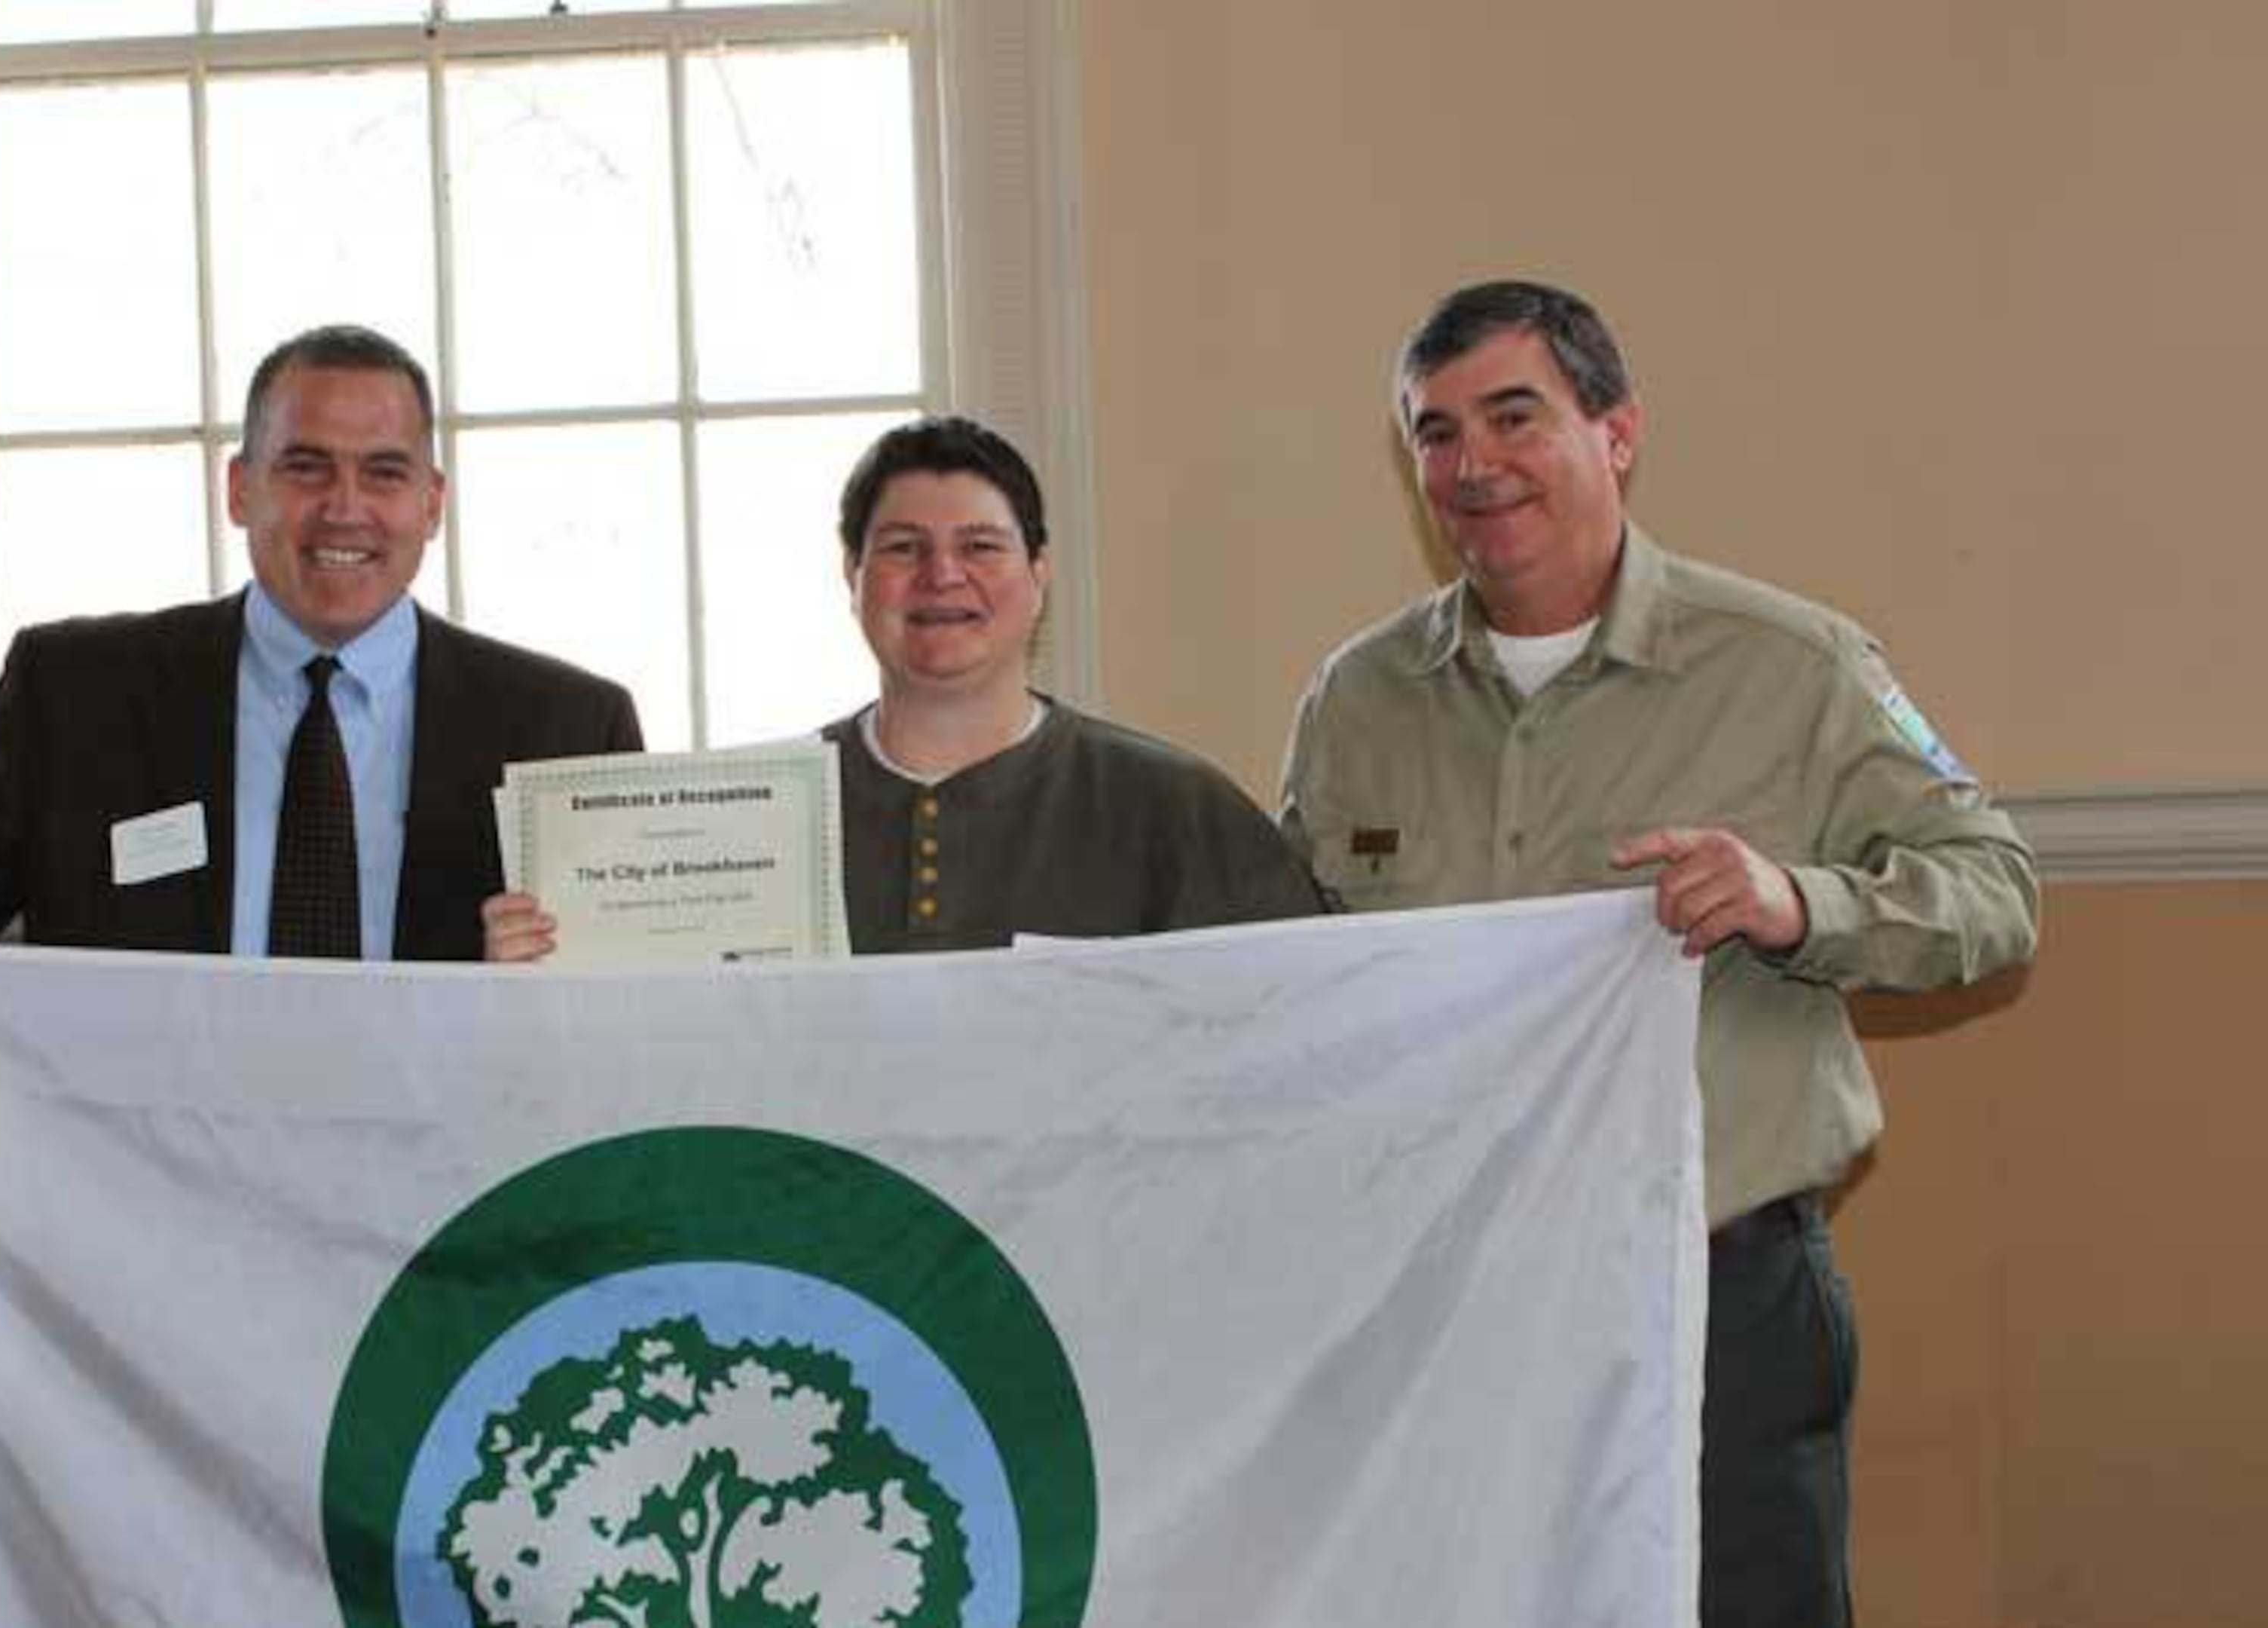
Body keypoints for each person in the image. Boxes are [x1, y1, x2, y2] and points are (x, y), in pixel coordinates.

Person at [1277, 280, 2038, 1628]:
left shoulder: (1794, 663)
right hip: (1453, 1296)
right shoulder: (1359, 699)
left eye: (1516, 417)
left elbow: (1996, 892)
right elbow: (1302, 972)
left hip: (1718, 1292)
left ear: (1616, 432)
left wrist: (1799, 905)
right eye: (1435, 433)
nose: (1474, 465)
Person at [0, 324, 641, 964]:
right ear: (241, 488)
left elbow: (643, 1001)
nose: (344, 509)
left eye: (383, 472)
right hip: (145, 1227)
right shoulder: (75, 695)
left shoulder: (564, 726)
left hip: (452, 1235)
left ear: (433, 502)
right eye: (306, 467)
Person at [485, 415, 1314, 960]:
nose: (942, 575)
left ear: (1039, 574)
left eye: (982, 546)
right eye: (903, 548)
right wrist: (538, 977)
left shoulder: (1176, 809)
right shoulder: (742, 816)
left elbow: (1300, 1035)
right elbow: (651, 1056)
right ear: (854, 577)